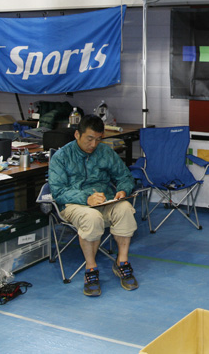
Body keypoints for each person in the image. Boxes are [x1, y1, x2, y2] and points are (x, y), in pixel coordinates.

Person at [48, 115, 138, 296]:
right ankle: (91, 268)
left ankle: (121, 262)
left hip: (105, 201)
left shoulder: (105, 152)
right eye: (89, 139)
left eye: (98, 139)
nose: (94, 144)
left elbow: (125, 177)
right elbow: (58, 192)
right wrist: (86, 198)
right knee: (92, 217)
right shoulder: (61, 157)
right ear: (77, 134)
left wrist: (123, 190)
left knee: (125, 209)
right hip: (74, 205)